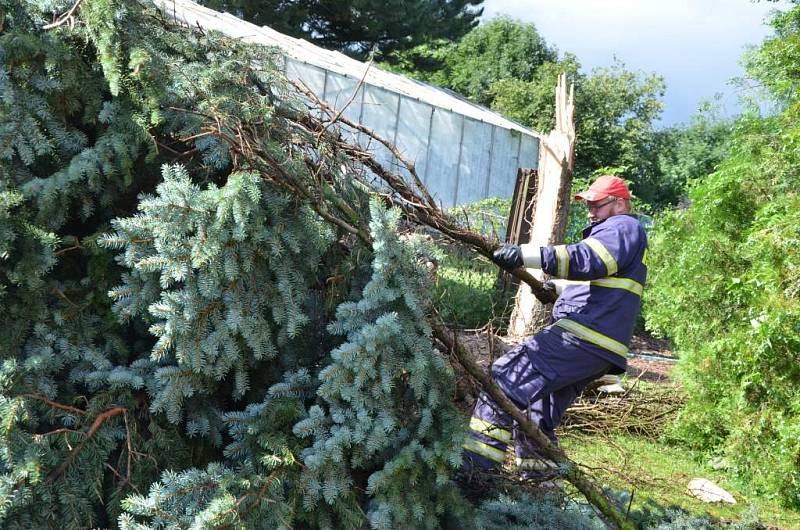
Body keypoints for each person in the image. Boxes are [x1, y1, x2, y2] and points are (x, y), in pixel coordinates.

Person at [462, 175, 648, 478]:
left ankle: (475, 475)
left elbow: (588, 259)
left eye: (596, 204)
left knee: (503, 382)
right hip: (597, 348)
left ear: (621, 203)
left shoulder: (623, 226)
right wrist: (558, 288)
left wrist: (527, 254)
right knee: (537, 415)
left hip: (582, 339)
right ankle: (541, 491)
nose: (590, 211)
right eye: (587, 204)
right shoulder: (624, 236)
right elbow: (602, 283)